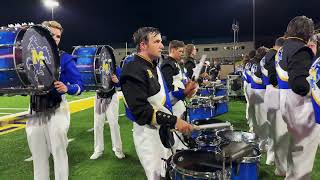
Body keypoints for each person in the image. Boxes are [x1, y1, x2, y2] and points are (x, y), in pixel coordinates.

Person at [120, 27, 194, 180]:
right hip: (148, 134)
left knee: (166, 173)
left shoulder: (153, 66)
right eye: (157, 41)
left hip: (161, 130)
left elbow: (164, 100)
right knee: (156, 176)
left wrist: (184, 94)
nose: (161, 45)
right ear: (143, 45)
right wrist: (174, 121)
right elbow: (140, 111)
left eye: (161, 41)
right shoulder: (132, 68)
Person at [26, 20, 84, 180]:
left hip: (57, 108)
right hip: (34, 109)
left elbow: (80, 85)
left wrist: (68, 88)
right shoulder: (28, 56)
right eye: (52, 35)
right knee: (38, 155)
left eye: (58, 36)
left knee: (58, 152)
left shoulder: (64, 58)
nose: (56, 39)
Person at [276, 16, 320, 180]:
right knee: (302, 156)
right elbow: (299, 84)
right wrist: (314, 88)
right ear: (307, 33)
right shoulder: (301, 49)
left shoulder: (283, 47)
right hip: (300, 107)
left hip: (287, 103)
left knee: (295, 149)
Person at [160, 40, 197, 151]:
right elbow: (169, 91)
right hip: (173, 106)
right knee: (175, 135)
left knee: (181, 134)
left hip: (180, 103)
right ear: (173, 50)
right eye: (180, 51)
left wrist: (189, 86)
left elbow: (183, 81)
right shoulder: (167, 65)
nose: (182, 53)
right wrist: (186, 90)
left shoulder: (178, 64)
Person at [261, 37, 288, 176]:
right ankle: (280, 166)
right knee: (278, 130)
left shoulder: (266, 56)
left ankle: (271, 158)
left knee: (272, 128)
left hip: (268, 91)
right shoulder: (277, 55)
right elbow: (272, 75)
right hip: (275, 91)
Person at [89, 65, 125, 160]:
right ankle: (98, 150)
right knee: (97, 124)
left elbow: (122, 83)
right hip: (99, 97)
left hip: (111, 96)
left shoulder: (114, 67)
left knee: (113, 124)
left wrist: (117, 81)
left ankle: (118, 149)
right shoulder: (95, 65)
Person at [250, 46, 274, 165]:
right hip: (262, 91)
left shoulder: (257, 62)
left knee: (258, 118)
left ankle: (260, 142)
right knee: (265, 120)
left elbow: (254, 75)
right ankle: (263, 144)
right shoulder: (264, 61)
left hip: (255, 90)